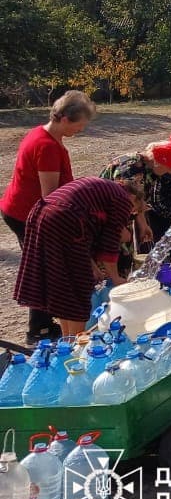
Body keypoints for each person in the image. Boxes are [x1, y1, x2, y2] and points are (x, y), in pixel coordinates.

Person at [1, 89, 97, 342]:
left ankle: (43, 323)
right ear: (65, 119)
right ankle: (39, 330)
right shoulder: (46, 147)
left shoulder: (44, 134)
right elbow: (51, 197)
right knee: (44, 268)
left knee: (44, 267)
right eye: (79, 124)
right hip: (26, 213)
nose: (81, 130)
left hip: (20, 208)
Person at [13, 176, 146, 338]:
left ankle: (68, 340)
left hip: (41, 214)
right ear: (133, 198)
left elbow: (87, 239)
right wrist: (116, 278)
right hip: (64, 218)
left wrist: (94, 268)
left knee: (63, 285)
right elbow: (109, 243)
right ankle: (78, 343)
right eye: (134, 211)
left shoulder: (104, 191)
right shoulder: (122, 199)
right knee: (79, 289)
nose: (130, 214)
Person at [100, 140, 171, 274]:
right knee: (112, 259)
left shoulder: (150, 170)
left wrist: (143, 225)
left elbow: (139, 201)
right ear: (159, 161)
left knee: (126, 258)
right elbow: (119, 203)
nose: (170, 171)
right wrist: (121, 228)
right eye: (169, 167)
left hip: (125, 216)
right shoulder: (132, 169)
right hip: (108, 219)